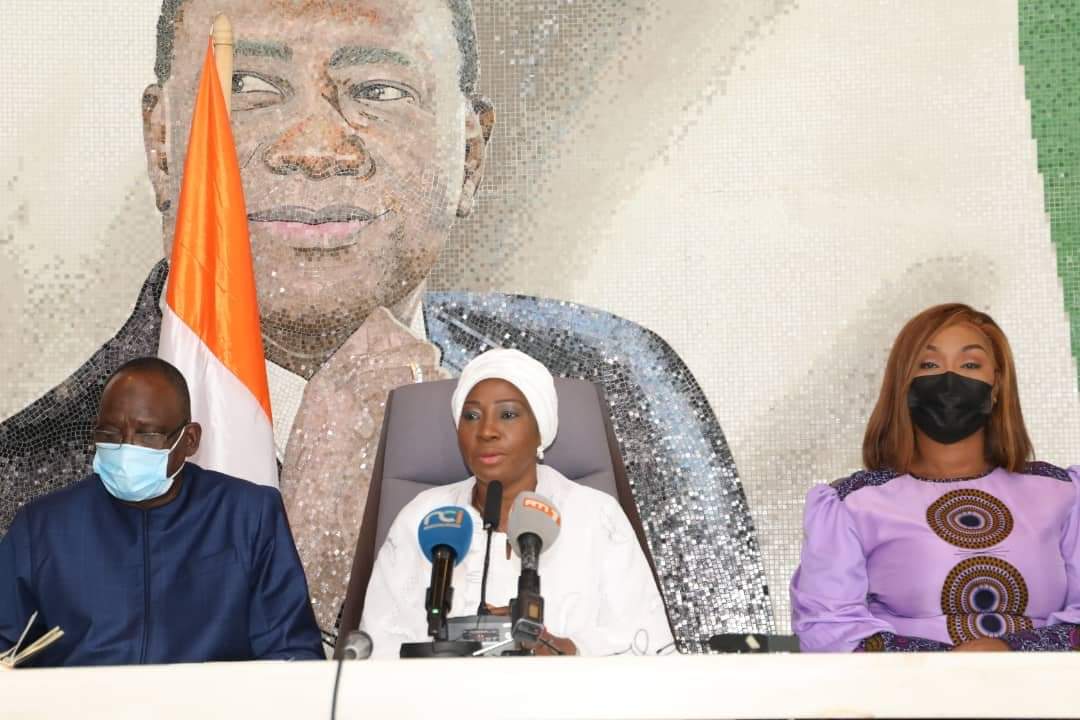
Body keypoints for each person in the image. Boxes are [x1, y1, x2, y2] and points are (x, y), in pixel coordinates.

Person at [0, 0, 771, 650]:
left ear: (470, 154)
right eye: (248, 86)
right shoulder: (19, 492)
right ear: (162, 142)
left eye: (378, 90)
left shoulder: (620, 387)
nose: (314, 148)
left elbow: (745, 686)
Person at [791, 303, 1080, 652]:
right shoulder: (853, 504)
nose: (949, 381)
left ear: (997, 385)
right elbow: (830, 629)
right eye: (929, 365)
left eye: (970, 365)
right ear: (903, 385)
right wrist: (945, 667)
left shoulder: (1064, 493)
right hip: (909, 688)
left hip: (1049, 686)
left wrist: (1009, 651)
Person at [0, 358, 323, 666]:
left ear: (190, 440)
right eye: (110, 434)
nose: (126, 448)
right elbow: (6, 649)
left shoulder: (247, 516)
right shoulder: (42, 526)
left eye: (147, 435)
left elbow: (291, 654)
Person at [361, 349, 674, 657]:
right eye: (471, 416)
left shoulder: (597, 516)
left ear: (540, 431)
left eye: (508, 415)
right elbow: (374, 651)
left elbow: (647, 645)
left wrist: (564, 650)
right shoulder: (423, 517)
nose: (486, 431)